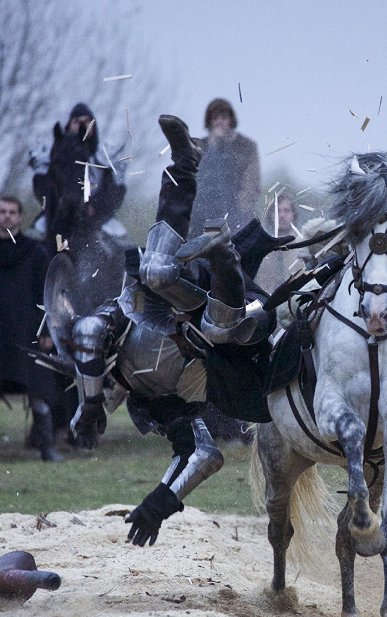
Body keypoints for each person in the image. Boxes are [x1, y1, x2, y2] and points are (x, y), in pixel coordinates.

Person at [57, 115, 290, 544]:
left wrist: (87, 411)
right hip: (215, 325)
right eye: (105, 402)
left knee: (157, 271)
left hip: (168, 293)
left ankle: (184, 164)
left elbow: (88, 332)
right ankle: (227, 259)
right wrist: (160, 503)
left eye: (102, 397)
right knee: (226, 325)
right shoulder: (164, 408)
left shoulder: (110, 342)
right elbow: (205, 455)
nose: (111, 397)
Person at [0, 195, 63, 461]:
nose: (7, 216)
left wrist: (48, 331)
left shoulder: (36, 253)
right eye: (2, 211)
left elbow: (47, 295)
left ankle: (46, 447)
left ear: (20, 217)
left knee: (39, 389)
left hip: (28, 333)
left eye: (12, 212)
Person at [29, 101, 129, 252]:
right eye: (77, 121)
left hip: (97, 218)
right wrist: (57, 203)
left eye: (87, 121)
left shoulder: (106, 156)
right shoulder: (54, 156)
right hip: (56, 217)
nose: (82, 125)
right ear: (69, 124)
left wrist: (94, 206)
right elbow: (42, 186)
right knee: (31, 244)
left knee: (123, 251)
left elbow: (115, 191)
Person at [189, 98, 260, 237]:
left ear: (231, 120)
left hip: (235, 212)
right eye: (215, 118)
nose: (219, 122)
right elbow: (192, 178)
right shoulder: (199, 146)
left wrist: (240, 208)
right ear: (209, 121)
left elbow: (252, 181)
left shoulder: (246, 146)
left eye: (223, 117)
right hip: (202, 213)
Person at [256, 191, 300, 294]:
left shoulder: (302, 246)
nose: (281, 215)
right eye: (277, 211)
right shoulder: (261, 245)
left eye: (286, 210)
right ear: (270, 214)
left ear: (293, 213)